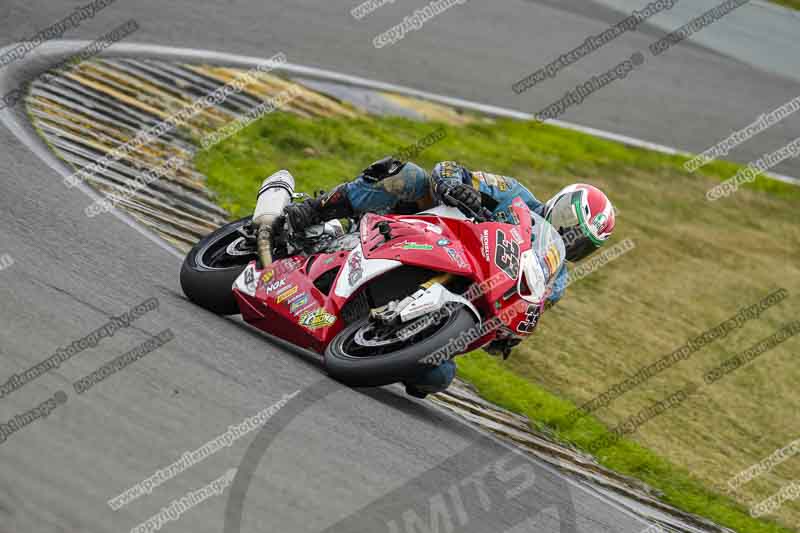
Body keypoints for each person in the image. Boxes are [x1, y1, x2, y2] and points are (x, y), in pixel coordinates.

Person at [282, 158, 616, 398]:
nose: (569, 237)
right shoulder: (515, 195)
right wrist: (457, 188)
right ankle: (316, 211)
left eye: (582, 241)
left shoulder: (554, 281)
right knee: (406, 176)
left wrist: (507, 337)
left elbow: (517, 319)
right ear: (559, 204)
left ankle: (382, 340)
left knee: (437, 377)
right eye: (569, 224)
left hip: (461, 292)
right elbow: (449, 168)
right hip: (430, 234)